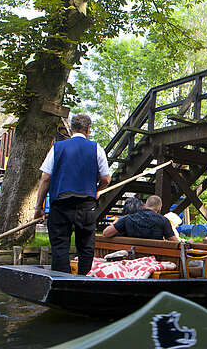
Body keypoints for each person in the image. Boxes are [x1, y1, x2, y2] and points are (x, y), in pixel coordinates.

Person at [34, 114, 111, 276]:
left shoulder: (57, 148)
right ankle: (84, 281)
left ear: (71, 128)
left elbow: (46, 178)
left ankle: (61, 282)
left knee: (60, 245)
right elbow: (106, 179)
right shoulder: (97, 148)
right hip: (86, 205)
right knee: (86, 245)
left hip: (61, 204)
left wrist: (39, 207)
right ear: (88, 129)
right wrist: (97, 191)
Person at [102, 195, 178, 241]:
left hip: (131, 257)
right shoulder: (163, 220)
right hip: (154, 258)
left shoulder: (128, 218)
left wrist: (116, 222)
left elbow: (106, 233)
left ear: (145, 205)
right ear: (159, 209)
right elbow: (174, 241)